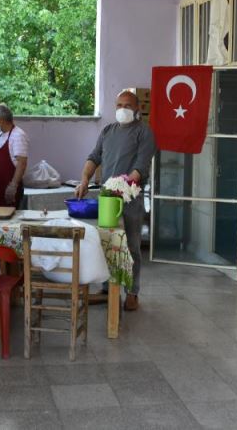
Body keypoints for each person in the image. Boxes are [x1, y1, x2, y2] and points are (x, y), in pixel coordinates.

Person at [75, 90, 156, 311]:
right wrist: (84, 179)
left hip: (130, 198)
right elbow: (94, 157)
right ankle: (106, 288)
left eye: (127, 105)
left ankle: (132, 292)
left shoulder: (144, 132)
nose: (122, 109)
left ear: (137, 108)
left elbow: (141, 166)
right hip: (106, 199)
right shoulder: (108, 131)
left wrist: (122, 186)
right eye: (119, 105)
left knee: (131, 246)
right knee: (105, 244)